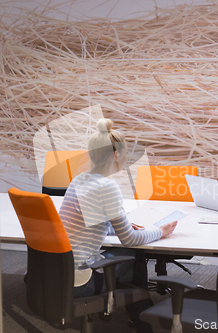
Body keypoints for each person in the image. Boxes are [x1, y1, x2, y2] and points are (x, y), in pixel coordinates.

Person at [59, 118, 177, 333]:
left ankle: (141, 317)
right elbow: (130, 239)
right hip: (81, 282)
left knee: (126, 252)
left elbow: (92, 221)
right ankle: (142, 321)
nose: (126, 159)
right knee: (135, 252)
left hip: (58, 273)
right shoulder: (107, 186)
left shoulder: (79, 180)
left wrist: (119, 225)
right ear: (116, 155)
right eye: (125, 155)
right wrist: (161, 231)